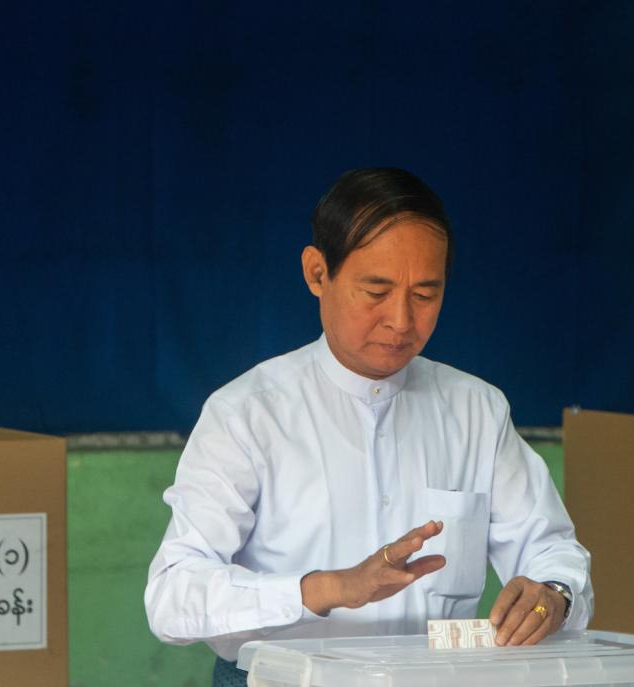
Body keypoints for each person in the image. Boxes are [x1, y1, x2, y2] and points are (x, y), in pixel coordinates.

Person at [145, 168, 593, 685]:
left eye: (425, 294)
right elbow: (172, 594)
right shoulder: (248, 414)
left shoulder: (478, 411)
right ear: (317, 274)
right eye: (376, 291)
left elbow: (552, 549)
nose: (402, 320)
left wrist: (554, 594)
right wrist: (328, 589)